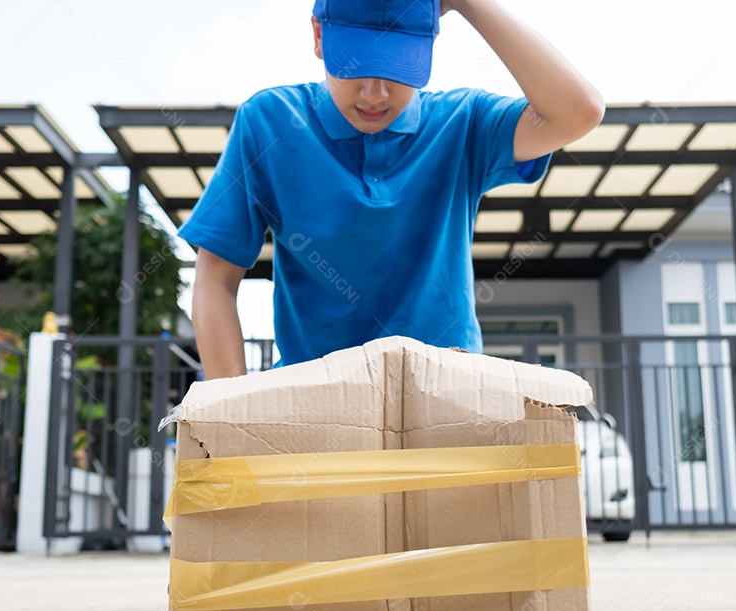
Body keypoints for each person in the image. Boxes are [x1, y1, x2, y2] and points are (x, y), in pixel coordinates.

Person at [182, 0, 604, 379]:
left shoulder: (463, 123)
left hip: (447, 400)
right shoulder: (270, 122)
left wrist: (469, 3)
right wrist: (231, 415)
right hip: (313, 404)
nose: (374, 94)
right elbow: (216, 276)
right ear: (318, 35)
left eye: (396, 67)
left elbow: (578, 111)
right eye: (355, 65)